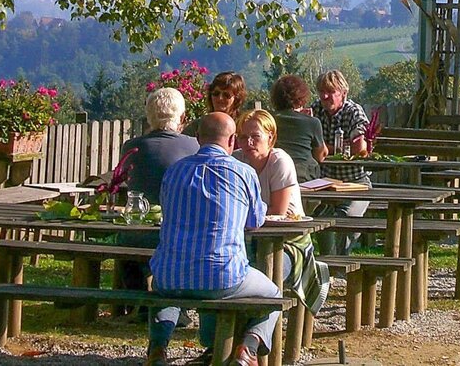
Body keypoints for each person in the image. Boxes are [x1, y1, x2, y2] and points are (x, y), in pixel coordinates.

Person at [146, 112, 277, 366]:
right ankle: (247, 348)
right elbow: (255, 220)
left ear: (197, 139)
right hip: (223, 275)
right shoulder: (244, 172)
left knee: (166, 286)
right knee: (273, 296)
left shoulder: (173, 172)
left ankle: (158, 349)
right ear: (232, 141)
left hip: (168, 273)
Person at [234, 109, 329, 314]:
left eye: (255, 136)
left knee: (264, 271)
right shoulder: (237, 161)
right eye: (243, 137)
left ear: (270, 137)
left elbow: (278, 211)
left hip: (288, 241)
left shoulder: (279, 160)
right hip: (248, 238)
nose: (248, 142)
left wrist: (243, 212)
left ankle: (255, 332)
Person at [116, 88, 199, 308]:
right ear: (182, 117)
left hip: (135, 233)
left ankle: (135, 301)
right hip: (177, 236)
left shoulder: (131, 146)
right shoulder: (193, 146)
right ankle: (173, 307)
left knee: (128, 244)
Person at [310, 70, 372, 255]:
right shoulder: (315, 110)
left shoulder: (353, 111)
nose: (325, 96)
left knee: (347, 218)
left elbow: (360, 148)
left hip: (355, 183)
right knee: (320, 217)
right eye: (321, 91)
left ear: (343, 93)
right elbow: (308, 145)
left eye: (330, 91)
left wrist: (324, 148)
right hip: (326, 184)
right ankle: (329, 262)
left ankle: (341, 261)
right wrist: (337, 147)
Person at [269, 75, 328, 183]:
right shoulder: (312, 122)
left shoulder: (268, 120)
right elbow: (320, 156)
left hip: (275, 175)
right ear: (302, 97)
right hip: (305, 177)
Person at [184, 71, 248, 137]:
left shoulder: (244, 128)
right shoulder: (197, 126)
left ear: (237, 99)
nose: (220, 98)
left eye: (226, 95)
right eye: (216, 93)